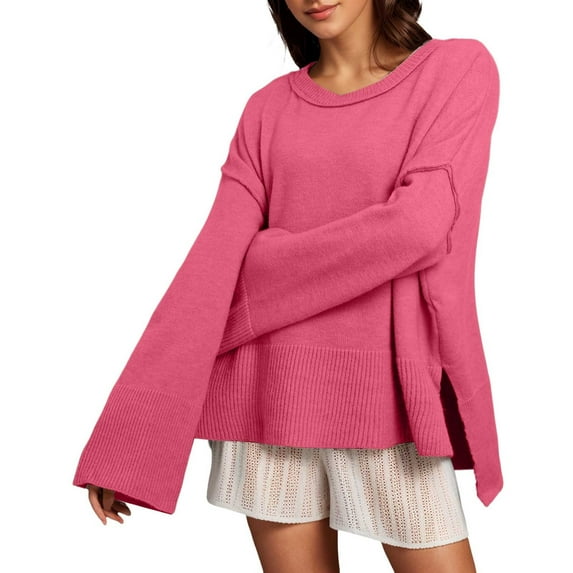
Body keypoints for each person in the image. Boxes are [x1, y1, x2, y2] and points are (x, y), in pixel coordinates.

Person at [75, 1, 503, 571]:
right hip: (266, 397)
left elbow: (420, 226)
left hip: (389, 400)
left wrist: (258, 261)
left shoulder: (454, 69)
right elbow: (209, 268)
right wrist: (124, 443)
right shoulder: (267, 108)